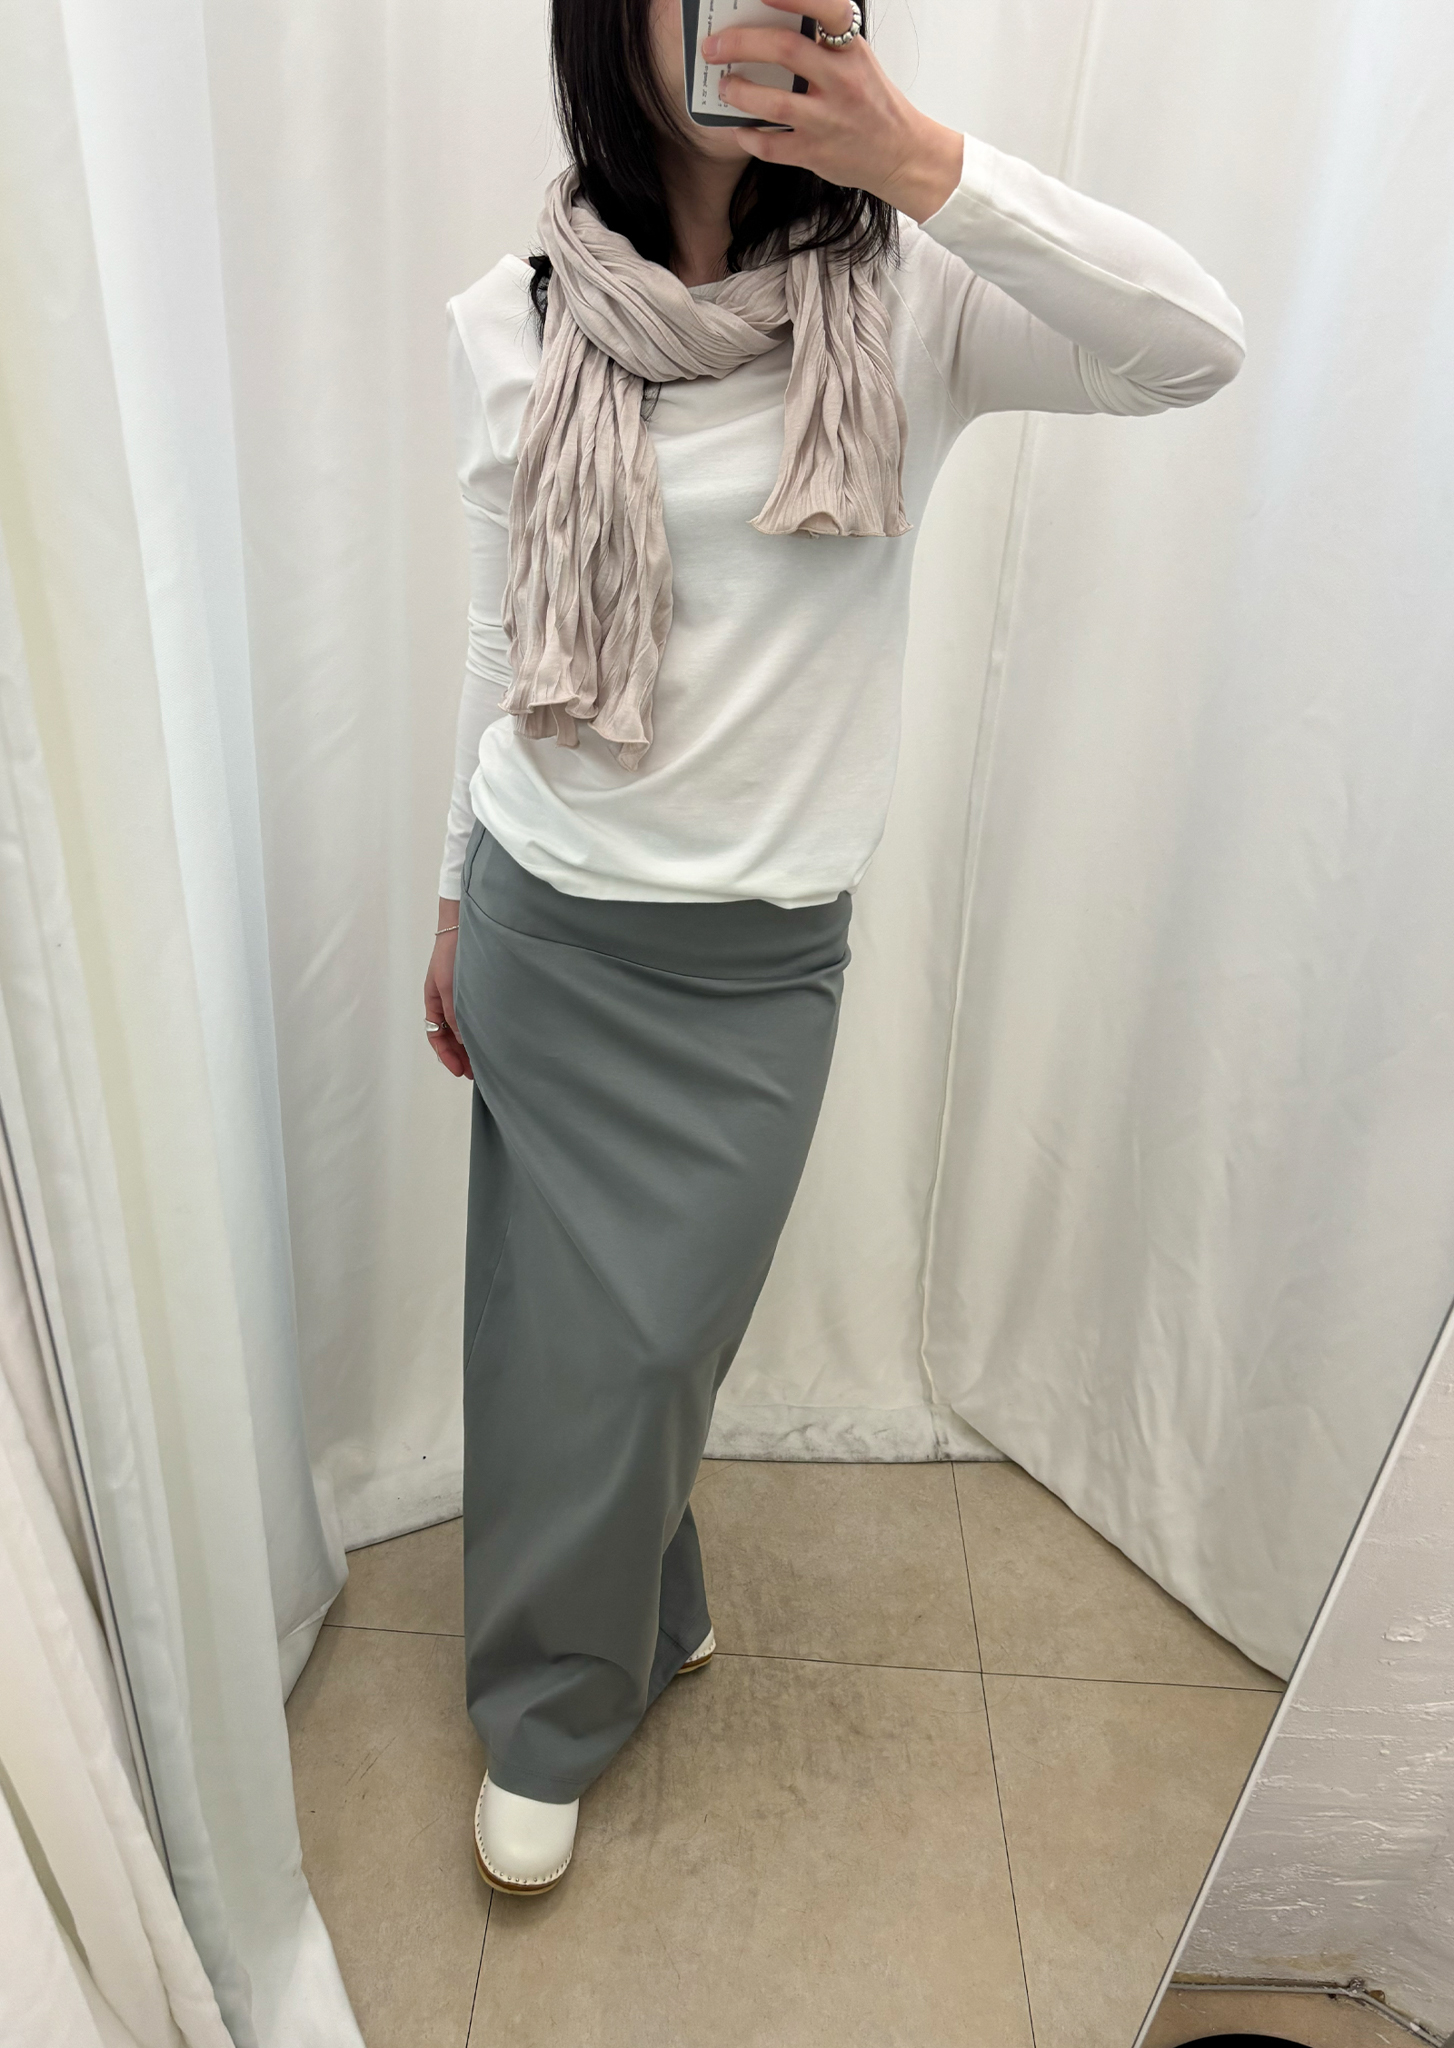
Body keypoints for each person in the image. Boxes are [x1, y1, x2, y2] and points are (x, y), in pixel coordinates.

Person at [422, 0, 1244, 1897]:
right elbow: (494, 639)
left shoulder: (911, 302)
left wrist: (919, 164)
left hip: (751, 964)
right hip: (550, 914)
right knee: (563, 1349)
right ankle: (552, 1704)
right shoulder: (510, 318)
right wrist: (453, 896)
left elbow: (1191, 346)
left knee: (655, 1348)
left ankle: (630, 1605)